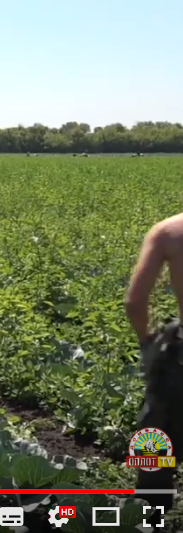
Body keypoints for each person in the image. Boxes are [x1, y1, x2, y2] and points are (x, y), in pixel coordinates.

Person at [123, 212, 183, 524]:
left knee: (154, 434)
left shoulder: (170, 231)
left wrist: (148, 342)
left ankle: (151, 515)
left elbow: (135, 302)